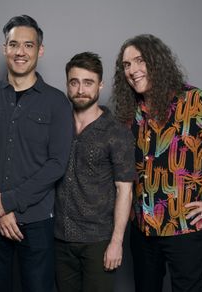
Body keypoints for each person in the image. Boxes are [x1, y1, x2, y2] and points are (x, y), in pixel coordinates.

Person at [112, 34, 202, 292]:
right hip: (142, 230)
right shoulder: (130, 112)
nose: (132, 70)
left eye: (139, 60)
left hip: (185, 229)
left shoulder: (197, 102)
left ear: (157, 61)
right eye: (126, 65)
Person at [0, 15, 73, 292]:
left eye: (28, 45)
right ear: (4, 49)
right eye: (13, 44)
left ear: (40, 50)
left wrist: (9, 202)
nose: (20, 52)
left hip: (36, 221)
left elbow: (57, 163)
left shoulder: (57, 102)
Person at [54, 52, 136, 292]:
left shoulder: (116, 132)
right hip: (59, 237)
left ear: (100, 85)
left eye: (88, 82)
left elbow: (125, 191)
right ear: (67, 84)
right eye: (74, 82)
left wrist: (116, 243)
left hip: (98, 241)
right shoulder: (56, 124)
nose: (80, 89)